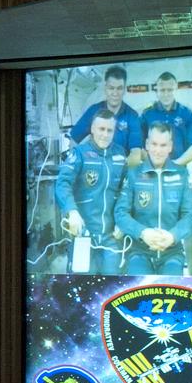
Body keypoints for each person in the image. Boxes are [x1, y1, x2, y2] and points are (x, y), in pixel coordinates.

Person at [115, 122, 192, 275]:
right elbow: (120, 213)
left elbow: (190, 216)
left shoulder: (182, 175)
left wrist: (173, 236)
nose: (158, 150)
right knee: (140, 291)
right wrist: (143, 233)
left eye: (163, 145)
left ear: (170, 146)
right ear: (147, 144)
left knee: (170, 292)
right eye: (154, 144)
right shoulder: (133, 174)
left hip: (172, 253)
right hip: (139, 252)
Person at [55, 109, 127, 274]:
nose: (105, 134)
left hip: (111, 237)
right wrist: (71, 212)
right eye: (101, 129)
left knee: (113, 286)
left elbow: (126, 191)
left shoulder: (120, 155)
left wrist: (124, 222)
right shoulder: (79, 154)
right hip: (83, 235)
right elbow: (62, 183)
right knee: (83, 287)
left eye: (109, 130)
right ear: (93, 129)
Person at [69, 66, 144, 162]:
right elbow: (74, 141)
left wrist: (117, 169)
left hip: (121, 169)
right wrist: (75, 165)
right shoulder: (93, 111)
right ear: (105, 88)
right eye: (111, 88)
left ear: (125, 89)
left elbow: (136, 154)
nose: (115, 93)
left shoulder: (132, 116)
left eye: (119, 88)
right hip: (96, 169)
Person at [141, 72, 192, 165]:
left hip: (181, 166)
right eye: (162, 90)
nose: (166, 94)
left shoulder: (186, 113)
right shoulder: (147, 114)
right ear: (157, 91)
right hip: (153, 169)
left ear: (176, 89)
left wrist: (177, 164)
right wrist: (154, 164)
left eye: (170, 90)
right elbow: (139, 146)